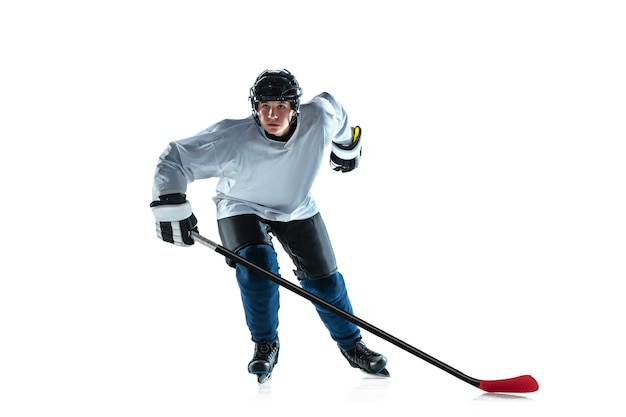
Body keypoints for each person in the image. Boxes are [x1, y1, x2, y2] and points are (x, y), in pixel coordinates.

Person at [150, 69, 389, 383]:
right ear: (255, 108)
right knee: (258, 269)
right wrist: (170, 203)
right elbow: (175, 158)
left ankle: (352, 345)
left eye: (280, 106)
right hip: (241, 206)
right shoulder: (229, 139)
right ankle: (265, 344)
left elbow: (338, 113)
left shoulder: (319, 118)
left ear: (295, 108)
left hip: (295, 206)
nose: (272, 114)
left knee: (326, 282)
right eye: (264, 107)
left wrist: (346, 147)